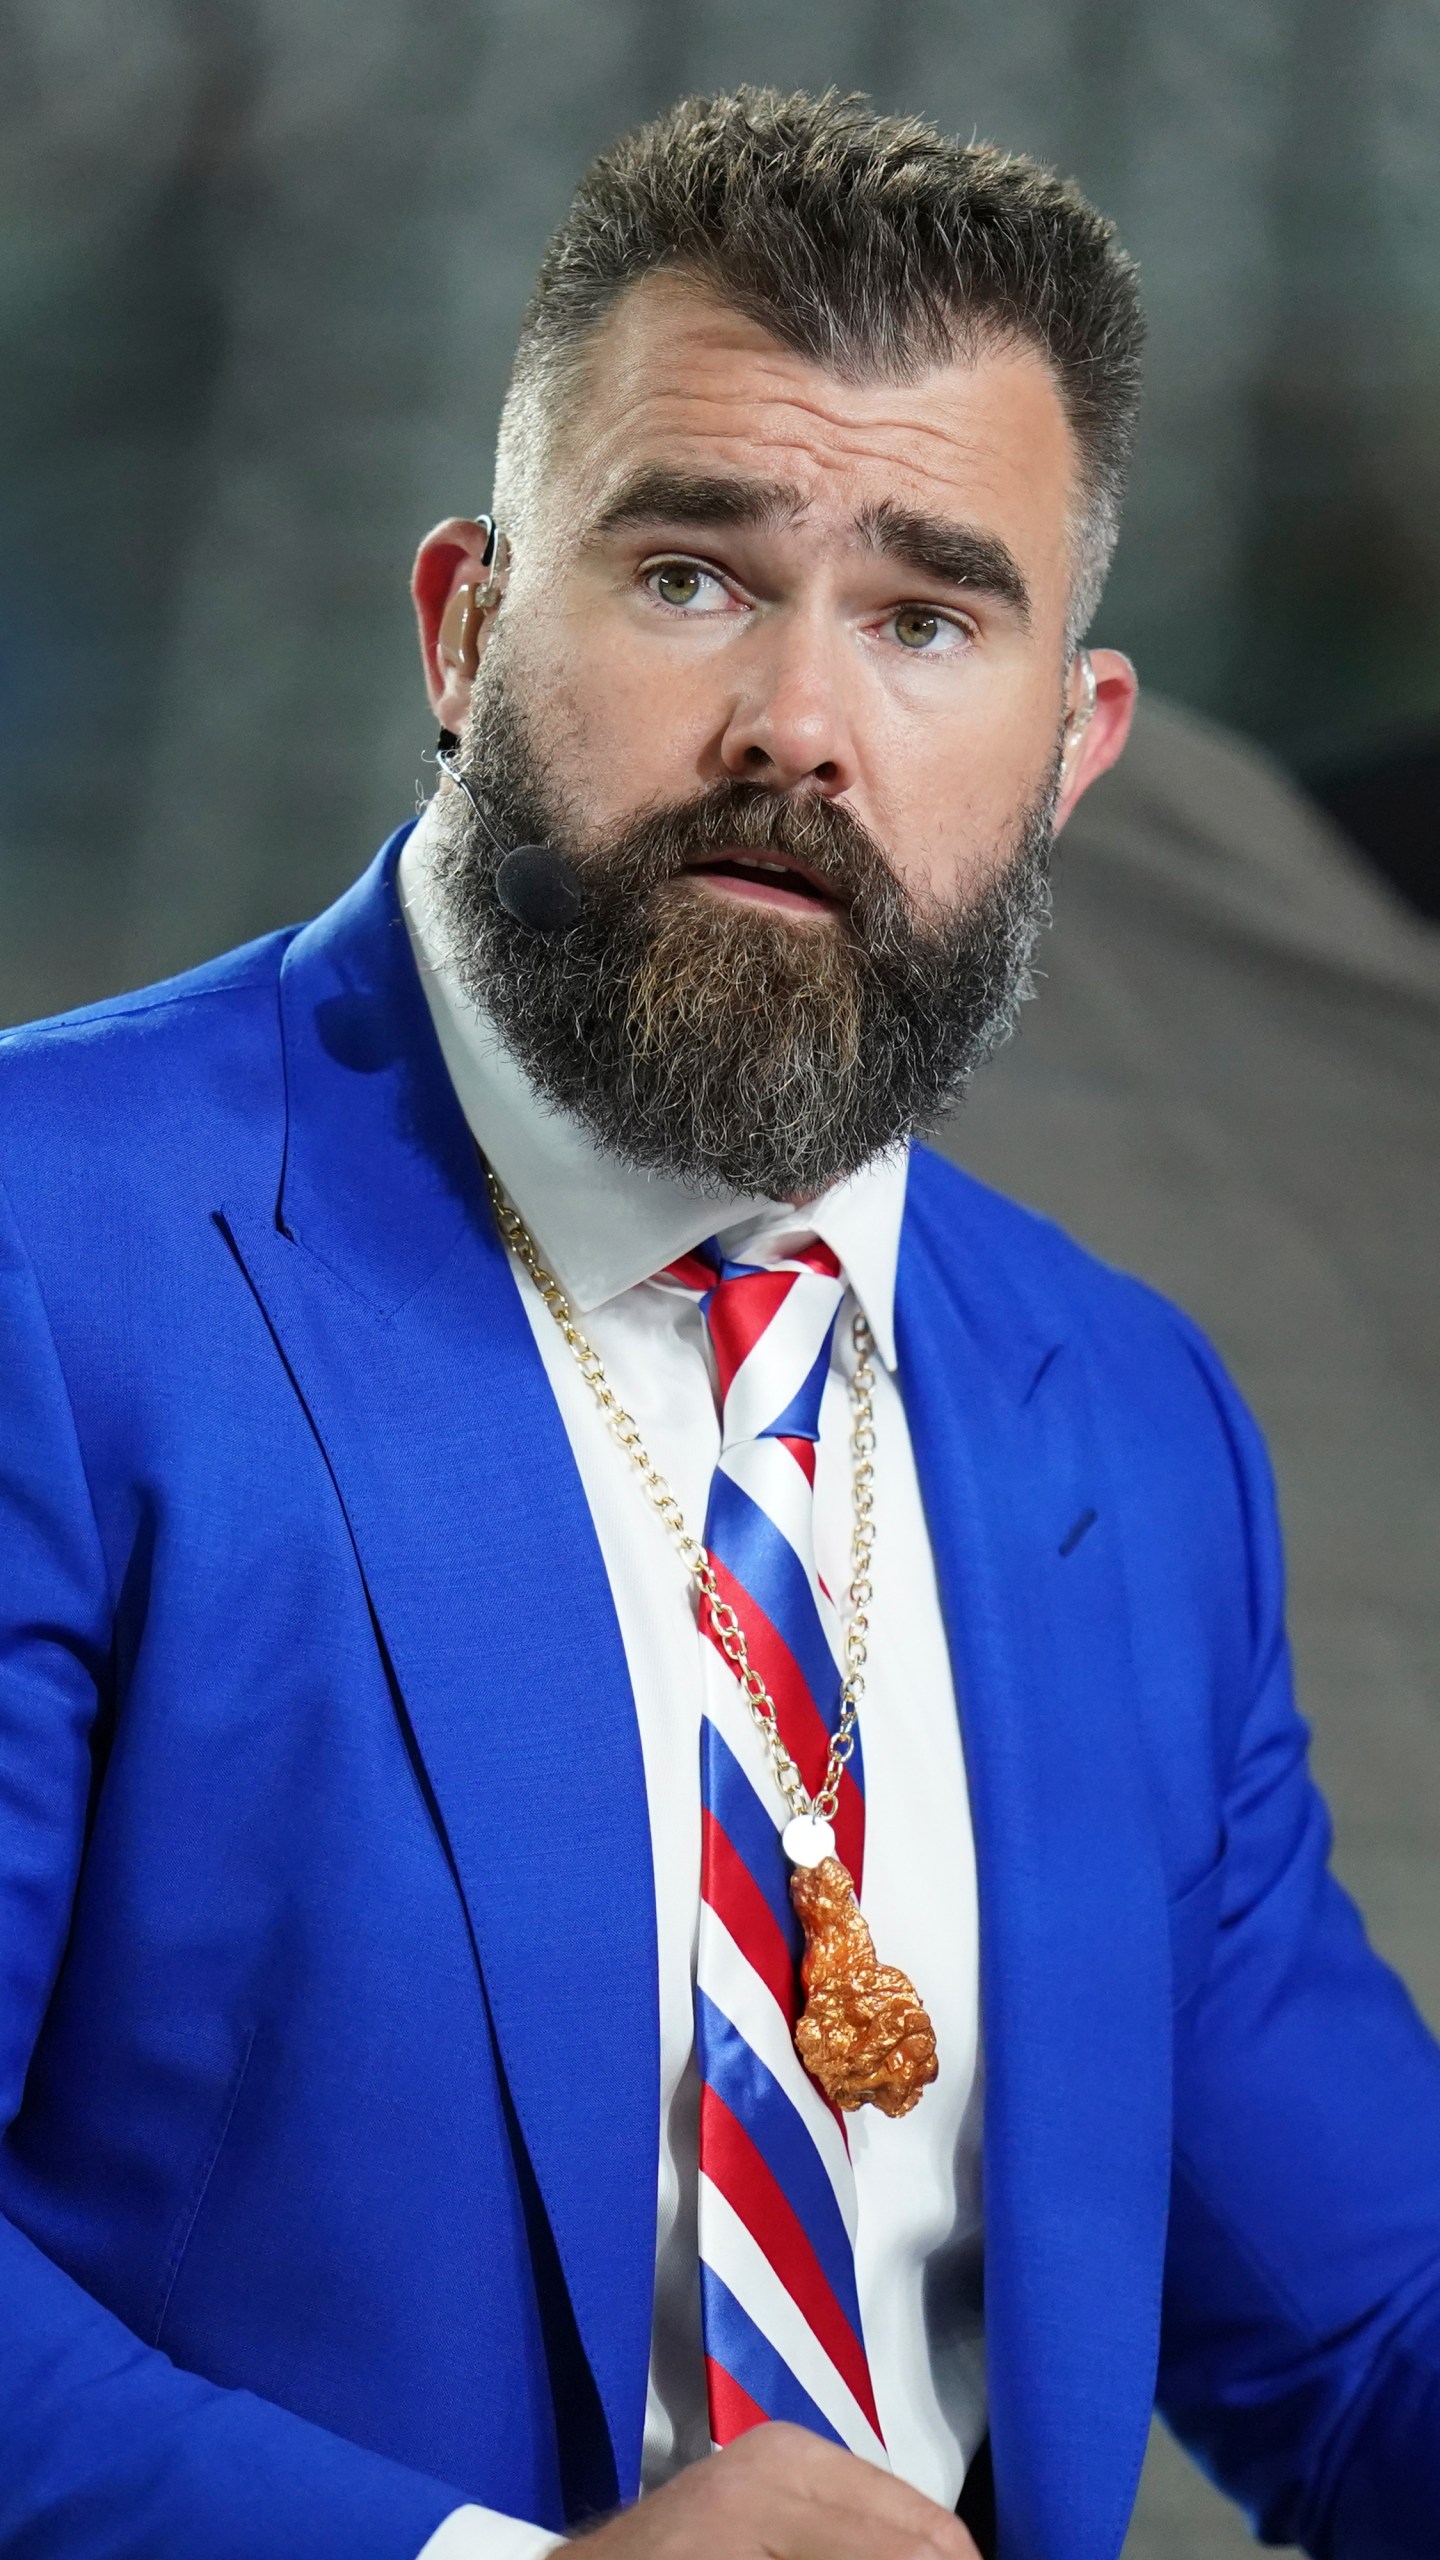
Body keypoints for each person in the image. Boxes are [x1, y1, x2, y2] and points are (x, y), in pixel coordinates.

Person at [0, 85, 1436, 2560]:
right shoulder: (52, 1256)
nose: (799, 720)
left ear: (1071, 749)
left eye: (925, 615)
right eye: (689, 574)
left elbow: (1372, 2325)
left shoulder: (1122, 1414)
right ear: (463, 627)